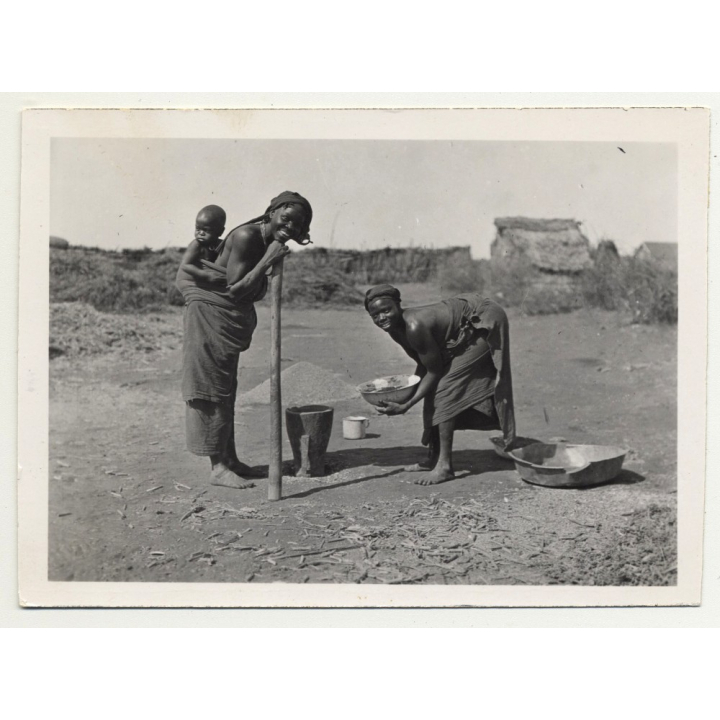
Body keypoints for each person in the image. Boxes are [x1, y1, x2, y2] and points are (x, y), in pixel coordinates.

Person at [175, 191, 313, 489]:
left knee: (225, 391)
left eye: (297, 226)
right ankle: (218, 469)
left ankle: (230, 459)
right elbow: (236, 290)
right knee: (211, 389)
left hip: (224, 320)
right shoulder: (248, 236)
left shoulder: (264, 240)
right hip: (209, 316)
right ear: (271, 213)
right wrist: (268, 260)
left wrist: (269, 256)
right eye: (285, 218)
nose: (289, 228)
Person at [364, 284, 517, 485]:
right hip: (461, 321)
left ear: (398, 306)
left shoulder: (414, 325)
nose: (381, 318)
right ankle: (433, 457)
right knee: (432, 390)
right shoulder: (395, 329)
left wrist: (406, 405)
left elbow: (434, 371)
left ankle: (445, 467)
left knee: (444, 391)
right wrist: (405, 394)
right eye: (375, 315)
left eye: (386, 310)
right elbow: (424, 364)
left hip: (481, 319)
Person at [176, 205, 227, 287]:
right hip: (195, 280)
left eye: (207, 230)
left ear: (220, 231)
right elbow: (185, 265)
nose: (201, 233)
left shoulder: (220, 244)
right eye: (198, 229)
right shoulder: (196, 244)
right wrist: (207, 276)